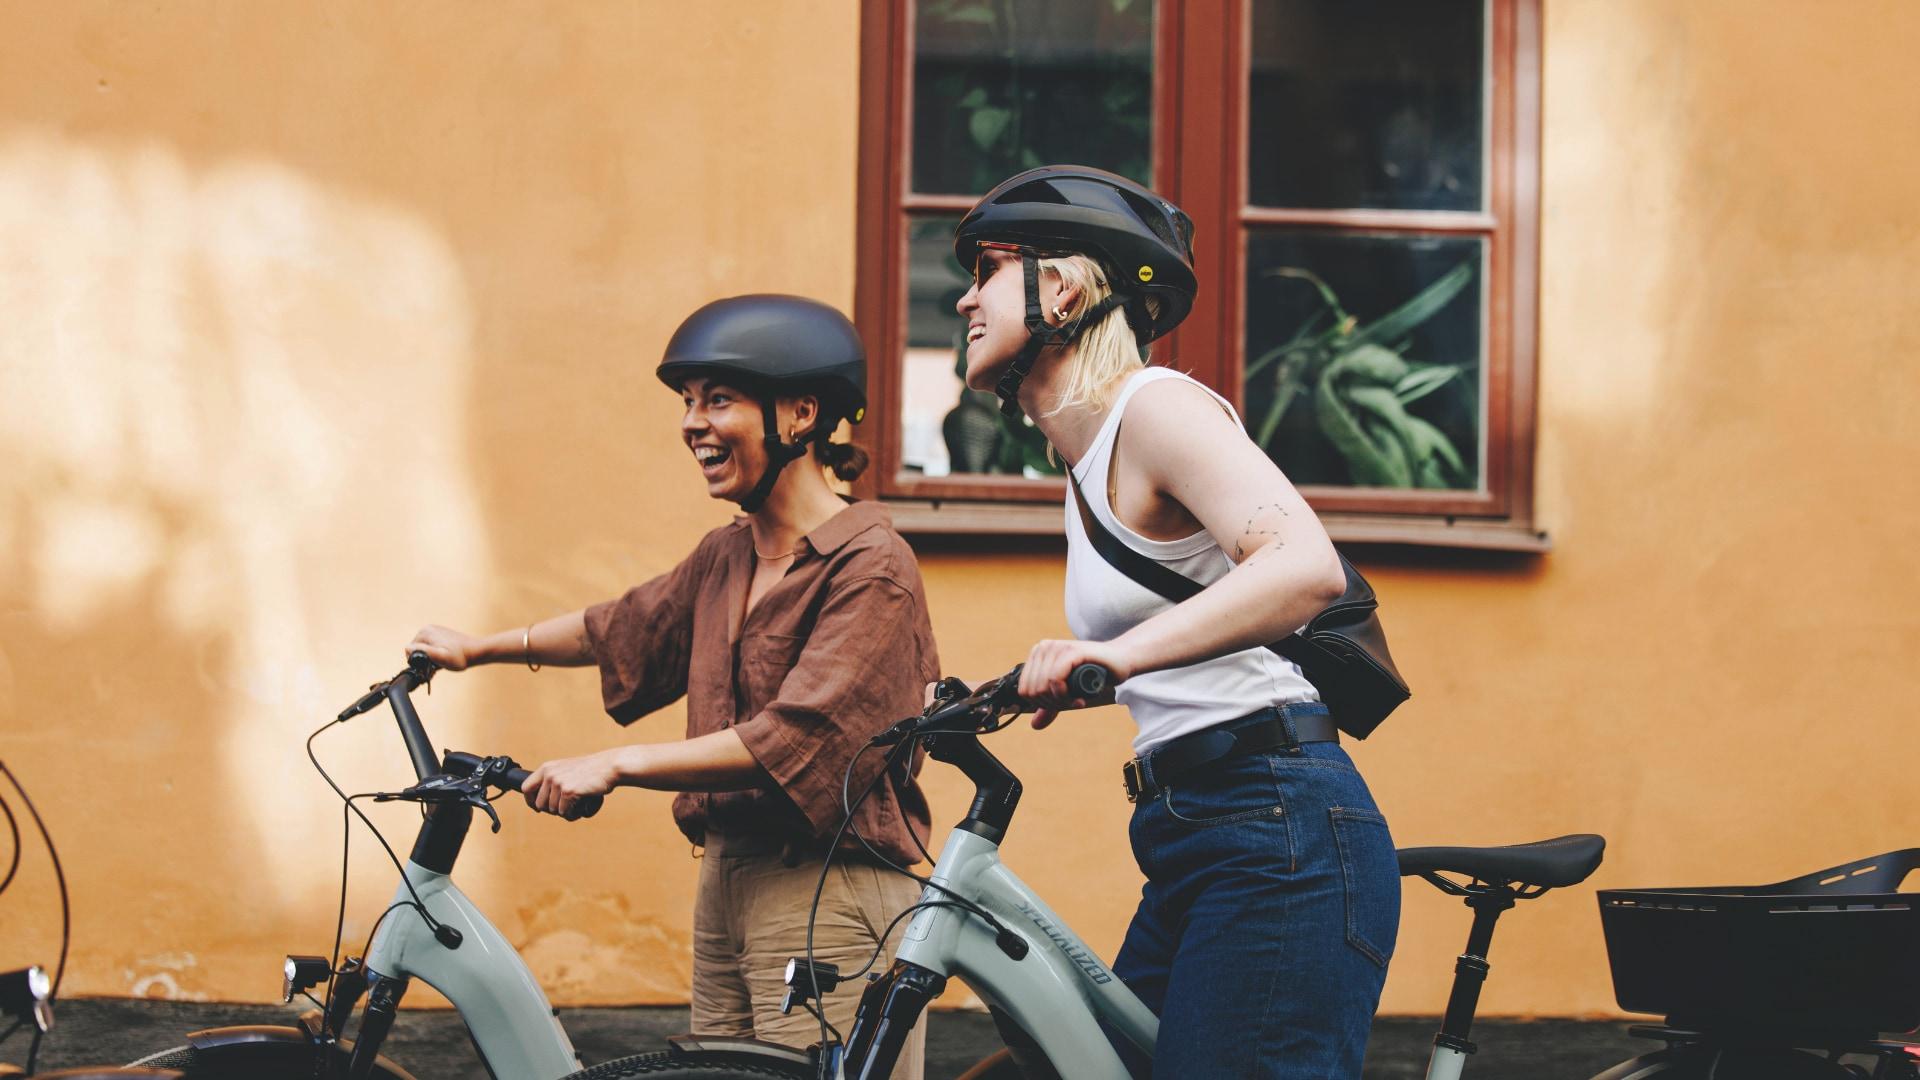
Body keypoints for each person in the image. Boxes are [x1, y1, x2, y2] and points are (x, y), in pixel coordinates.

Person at [407, 294, 932, 1077]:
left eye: (718, 398)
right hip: (726, 878)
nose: (692, 422)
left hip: (830, 888)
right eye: (688, 402)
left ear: (799, 413)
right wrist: (476, 649)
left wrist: (616, 763)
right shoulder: (729, 555)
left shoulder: (871, 565)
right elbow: (618, 627)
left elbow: (798, 737)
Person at [951, 166, 1400, 1078]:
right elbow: (1169, 635)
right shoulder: (1079, 467)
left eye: (988, 268)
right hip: (1196, 825)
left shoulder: (1154, 407)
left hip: (1278, 826)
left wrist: (1110, 658)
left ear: (1063, 286)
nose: (963, 295)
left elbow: (1303, 566)